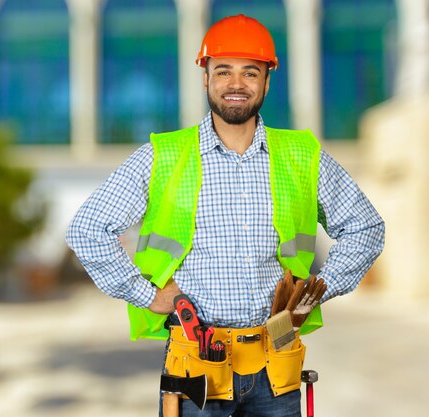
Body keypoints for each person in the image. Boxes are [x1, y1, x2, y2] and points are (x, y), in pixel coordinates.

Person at [66, 14, 385, 417]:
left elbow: (366, 228)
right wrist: (147, 295)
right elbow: (86, 228)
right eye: (223, 71)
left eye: (250, 72)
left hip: (277, 355)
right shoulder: (165, 155)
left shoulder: (302, 155)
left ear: (267, 80)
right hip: (195, 359)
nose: (236, 84)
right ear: (205, 78)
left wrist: (314, 291)